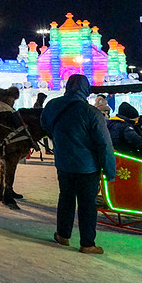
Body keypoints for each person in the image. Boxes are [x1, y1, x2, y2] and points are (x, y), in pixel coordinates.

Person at [42, 74, 115, 255]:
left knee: (66, 197)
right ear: (86, 89)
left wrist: (61, 137)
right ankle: (87, 243)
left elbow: (44, 124)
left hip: (63, 162)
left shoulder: (52, 105)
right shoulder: (91, 112)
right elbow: (104, 144)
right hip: (87, 167)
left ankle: (63, 235)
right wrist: (109, 170)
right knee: (87, 204)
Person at [106, 102, 142, 201]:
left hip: (120, 160)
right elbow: (138, 141)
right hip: (132, 160)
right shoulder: (127, 126)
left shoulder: (112, 124)